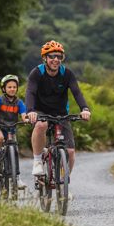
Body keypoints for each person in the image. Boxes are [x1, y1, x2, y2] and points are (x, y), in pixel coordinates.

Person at [25, 40, 91, 176]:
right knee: (41, 125)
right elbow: (30, 92)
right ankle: (37, 161)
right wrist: (30, 111)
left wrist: (84, 108)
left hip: (60, 113)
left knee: (71, 152)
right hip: (40, 111)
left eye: (59, 57)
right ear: (45, 58)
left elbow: (77, 92)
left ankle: (64, 181)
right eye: (52, 56)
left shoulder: (67, 74)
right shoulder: (37, 73)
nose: (56, 59)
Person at [0, 75, 27, 187]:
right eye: (9, 87)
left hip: (11, 129)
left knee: (15, 151)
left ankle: (17, 178)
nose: (12, 89)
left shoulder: (19, 102)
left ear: (17, 88)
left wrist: (26, 119)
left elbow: (23, 114)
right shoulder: (0, 100)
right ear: (4, 89)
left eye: (14, 87)